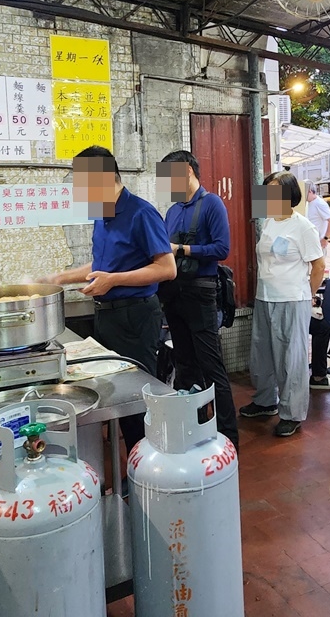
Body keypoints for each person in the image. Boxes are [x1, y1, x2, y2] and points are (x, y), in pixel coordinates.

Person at [38, 146, 177, 451]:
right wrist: (58, 278)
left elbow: (167, 268)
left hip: (135, 317)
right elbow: (102, 267)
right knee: (113, 392)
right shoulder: (102, 215)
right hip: (108, 316)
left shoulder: (141, 212)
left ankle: (148, 464)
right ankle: (131, 459)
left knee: (136, 398)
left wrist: (113, 281)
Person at [157, 150, 238, 448]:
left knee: (211, 366)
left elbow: (222, 248)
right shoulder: (172, 210)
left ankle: (229, 438)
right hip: (174, 293)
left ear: (188, 171)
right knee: (185, 364)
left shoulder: (211, 203)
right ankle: (190, 429)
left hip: (202, 292)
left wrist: (182, 250)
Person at [240, 171, 325, 437]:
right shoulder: (267, 222)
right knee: (262, 354)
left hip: (292, 299)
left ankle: (292, 413)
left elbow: (319, 266)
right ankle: (266, 401)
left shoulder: (303, 227)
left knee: (292, 358)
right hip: (265, 297)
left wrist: (307, 294)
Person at [305, 183, 330, 249]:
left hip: (318, 243)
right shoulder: (308, 203)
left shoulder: (320, 203)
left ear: (310, 191)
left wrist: (325, 238)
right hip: (310, 242)